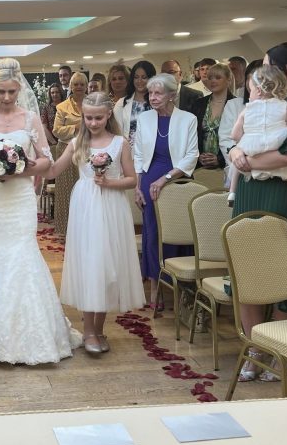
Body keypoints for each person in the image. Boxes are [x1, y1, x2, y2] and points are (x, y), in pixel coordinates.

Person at [0, 57, 79, 364]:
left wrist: (21, 169)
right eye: (1, 91)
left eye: (11, 91)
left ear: (19, 88)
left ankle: (29, 335)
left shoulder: (31, 118)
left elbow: (46, 163)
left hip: (20, 198)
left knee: (23, 252)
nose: (6, 97)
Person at [228, 41, 287, 383]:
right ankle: (254, 349)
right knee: (248, 268)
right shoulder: (255, 102)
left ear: (284, 70)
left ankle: (281, 350)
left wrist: (246, 161)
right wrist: (236, 152)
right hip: (250, 191)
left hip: (281, 191)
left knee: (281, 269)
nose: (260, 72)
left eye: (267, 64)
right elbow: (237, 139)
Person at [46, 92, 143, 353]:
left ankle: (100, 329)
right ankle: (89, 331)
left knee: (109, 269)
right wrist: (35, 159)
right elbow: (53, 170)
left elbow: (132, 179)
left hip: (112, 207)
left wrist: (110, 182)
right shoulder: (78, 142)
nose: (93, 123)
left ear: (108, 115)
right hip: (86, 207)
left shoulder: (120, 143)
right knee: (91, 265)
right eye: (88, 118)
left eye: (98, 118)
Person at [133, 73, 199, 315]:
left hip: (177, 180)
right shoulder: (145, 119)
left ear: (172, 95)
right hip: (150, 180)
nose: (152, 97)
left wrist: (166, 179)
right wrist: (138, 186)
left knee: (178, 234)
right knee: (153, 234)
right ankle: (155, 288)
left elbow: (191, 155)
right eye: (150, 93)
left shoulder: (188, 119)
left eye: (158, 93)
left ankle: (181, 288)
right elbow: (138, 154)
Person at [228, 66, 287, 234]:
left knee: (238, 159)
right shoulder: (285, 108)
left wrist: (246, 139)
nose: (249, 95)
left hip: (252, 154)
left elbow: (234, 135)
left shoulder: (247, 110)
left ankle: (232, 192)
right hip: (275, 153)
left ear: (258, 90)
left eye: (250, 90)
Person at [52, 72, 88, 240]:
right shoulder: (62, 107)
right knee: (67, 191)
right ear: (71, 87)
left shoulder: (92, 104)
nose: (79, 87)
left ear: (86, 86)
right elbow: (56, 130)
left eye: (82, 84)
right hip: (66, 150)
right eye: (76, 84)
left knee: (87, 190)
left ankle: (85, 229)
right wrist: (75, 128)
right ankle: (65, 230)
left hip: (88, 151)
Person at [190, 62, 235, 172]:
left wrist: (220, 159)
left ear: (228, 80)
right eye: (210, 78)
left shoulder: (236, 104)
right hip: (200, 166)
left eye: (218, 77)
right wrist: (197, 155)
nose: (213, 81)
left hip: (228, 165)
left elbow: (240, 139)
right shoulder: (198, 104)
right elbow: (191, 134)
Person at [120, 61, 154, 140]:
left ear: (151, 78)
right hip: (129, 147)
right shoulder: (121, 103)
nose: (139, 81)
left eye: (144, 77)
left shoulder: (157, 102)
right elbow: (117, 132)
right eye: (136, 77)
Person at [40, 82, 64, 147]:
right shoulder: (46, 108)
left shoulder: (67, 106)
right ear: (50, 94)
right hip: (51, 143)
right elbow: (44, 127)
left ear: (60, 93)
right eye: (52, 93)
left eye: (57, 92)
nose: (55, 94)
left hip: (66, 141)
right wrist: (54, 142)